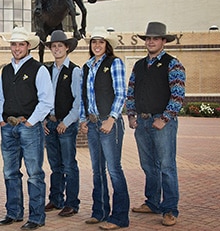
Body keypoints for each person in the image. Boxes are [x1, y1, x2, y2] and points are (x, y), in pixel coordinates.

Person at [126, 22, 186, 227]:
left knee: (167, 166)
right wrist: (131, 115)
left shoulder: (173, 64)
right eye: (148, 38)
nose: (151, 41)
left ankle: (170, 209)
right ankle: (152, 202)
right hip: (142, 122)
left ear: (163, 41)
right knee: (148, 166)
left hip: (162, 122)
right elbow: (131, 91)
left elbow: (178, 95)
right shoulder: (139, 65)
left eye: (155, 38)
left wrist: (165, 118)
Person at [0, 27, 54, 230]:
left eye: (21, 44)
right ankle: (14, 213)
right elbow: (0, 97)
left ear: (28, 46)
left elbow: (46, 101)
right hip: (8, 127)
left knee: (34, 173)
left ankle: (37, 217)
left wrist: (31, 122)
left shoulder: (39, 69)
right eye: (14, 44)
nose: (17, 47)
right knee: (10, 172)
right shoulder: (6, 70)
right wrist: (1, 119)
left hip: (29, 127)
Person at [79, 26, 129, 230]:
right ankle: (99, 212)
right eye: (94, 42)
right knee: (97, 170)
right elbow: (85, 96)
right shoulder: (87, 66)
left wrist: (112, 118)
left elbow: (120, 93)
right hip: (92, 123)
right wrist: (83, 118)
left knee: (114, 170)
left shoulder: (114, 63)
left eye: (101, 42)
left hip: (109, 123)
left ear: (107, 45)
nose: (97, 45)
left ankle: (119, 218)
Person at [42, 30, 81, 217]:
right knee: (55, 165)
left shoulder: (74, 71)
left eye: (60, 45)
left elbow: (78, 101)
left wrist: (66, 122)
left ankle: (72, 203)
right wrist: (43, 119)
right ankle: (56, 199)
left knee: (69, 165)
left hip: (66, 125)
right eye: (53, 46)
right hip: (50, 124)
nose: (56, 49)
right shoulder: (47, 70)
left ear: (67, 48)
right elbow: (42, 97)